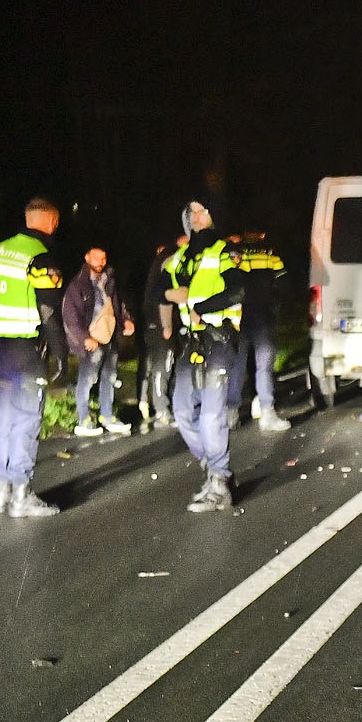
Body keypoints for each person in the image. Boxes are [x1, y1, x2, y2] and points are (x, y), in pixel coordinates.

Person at [0, 197, 65, 517]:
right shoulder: (40, 257)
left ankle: (0, 494)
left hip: (0, 348)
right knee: (27, 420)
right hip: (28, 351)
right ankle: (21, 495)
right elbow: (48, 312)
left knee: (4, 419)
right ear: (52, 222)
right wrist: (60, 352)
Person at [163, 200, 244, 511]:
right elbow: (157, 288)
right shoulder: (181, 256)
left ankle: (220, 483)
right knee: (182, 410)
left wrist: (201, 308)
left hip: (220, 338)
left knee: (211, 415)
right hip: (192, 343)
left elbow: (237, 290)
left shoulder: (225, 251)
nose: (196, 217)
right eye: (191, 212)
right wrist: (169, 294)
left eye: (203, 211)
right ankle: (213, 467)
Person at [62, 245, 136, 436]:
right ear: (87, 258)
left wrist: (126, 320)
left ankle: (107, 415)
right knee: (87, 379)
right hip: (91, 338)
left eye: (103, 258)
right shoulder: (78, 284)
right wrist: (84, 337)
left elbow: (119, 304)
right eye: (96, 258)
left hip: (110, 336)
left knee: (109, 377)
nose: (100, 262)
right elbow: (70, 315)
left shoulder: (109, 280)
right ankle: (83, 419)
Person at [228, 231, 290, 432]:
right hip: (263, 315)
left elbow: (227, 282)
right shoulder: (270, 254)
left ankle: (231, 413)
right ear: (261, 235)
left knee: (237, 364)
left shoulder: (235, 255)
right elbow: (284, 283)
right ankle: (267, 412)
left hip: (238, 316)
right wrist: (276, 304)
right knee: (264, 366)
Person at [138, 238, 182, 428]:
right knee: (162, 366)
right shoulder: (171, 259)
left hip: (159, 322)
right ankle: (162, 410)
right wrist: (166, 325)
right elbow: (165, 295)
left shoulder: (165, 259)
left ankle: (164, 406)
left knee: (165, 365)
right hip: (160, 323)